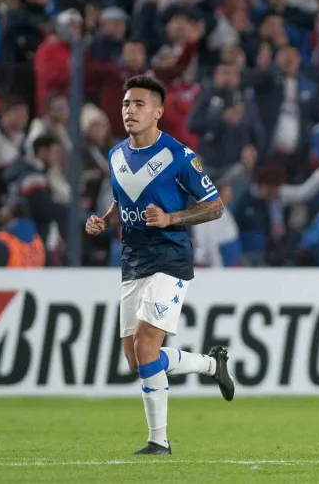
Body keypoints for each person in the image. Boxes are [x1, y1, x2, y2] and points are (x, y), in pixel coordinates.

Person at [83, 75, 236, 456]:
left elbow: (215, 206)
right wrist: (104, 220)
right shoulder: (116, 155)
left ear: (158, 112)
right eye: (125, 104)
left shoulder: (179, 156)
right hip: (133, 258)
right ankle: (209, 364)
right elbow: (124, 200)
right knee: (136, 359)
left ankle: (159, 441)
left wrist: (171, 219)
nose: (129, 111)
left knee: (146, 344)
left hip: (170, 256)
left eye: (138, 104)